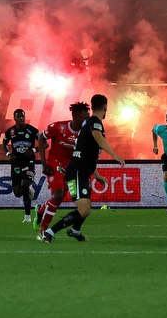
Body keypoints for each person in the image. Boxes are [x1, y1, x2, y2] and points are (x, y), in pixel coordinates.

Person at [41, 94, 125, 244]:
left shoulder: (87, 123)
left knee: (86, 207)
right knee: (84, 209)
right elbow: (98, 137)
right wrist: (114, 155)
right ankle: (49, 232)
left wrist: (96, 174)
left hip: (81, 170)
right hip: (78, 171)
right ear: (105, 107)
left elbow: (87, 154)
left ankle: (75, 230)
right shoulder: (94, 123)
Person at [34, 102, 100, 236]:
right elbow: (41, 138)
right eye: (84, 116)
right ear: (75, 115)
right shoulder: (59, 127)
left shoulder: (86, 132)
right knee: (58, 195)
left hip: (74, 167)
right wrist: (44, 163)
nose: (87, 118)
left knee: (73, 201)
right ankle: (43, 230)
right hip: (56, 163)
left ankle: (41, 211)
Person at [1, 109, 40, 222]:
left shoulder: (31, 130)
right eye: (18, 116)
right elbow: (3, 144)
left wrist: (33, 150)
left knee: (24, 185)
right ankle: (29, 189)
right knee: (18, 193)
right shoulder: (10, 131)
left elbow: (45, 143)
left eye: (22, 116)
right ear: (14, 118)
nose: (21, 118)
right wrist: (8, 154)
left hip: (29, 162)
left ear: (25, 117)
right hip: (16, 163)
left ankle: (27, 216)